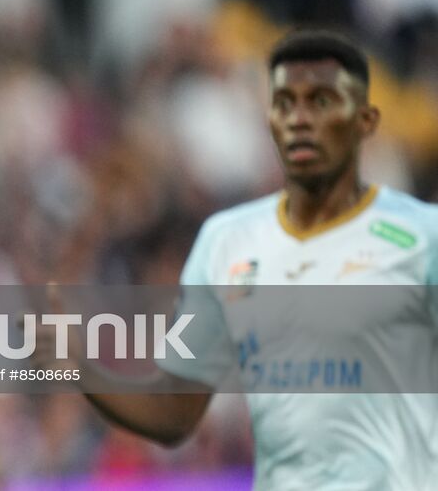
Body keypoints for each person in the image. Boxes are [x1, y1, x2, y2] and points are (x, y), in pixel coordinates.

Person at [60, 28, 438, 489]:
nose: (300, 119)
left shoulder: (422, 237)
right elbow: (175, 412)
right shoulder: (225, 242)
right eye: (285, 104)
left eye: (320, 103)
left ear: (365, 121)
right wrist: (78, 366)